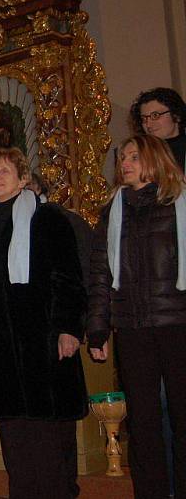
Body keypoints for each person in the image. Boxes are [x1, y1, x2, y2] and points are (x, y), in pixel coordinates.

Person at [0, 148, 88, 499]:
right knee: (14, 436)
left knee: (47, 435)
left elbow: (68, 278)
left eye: (4, 170)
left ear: (22, 177)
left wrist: (68, 328)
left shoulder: (47, 218)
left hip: (41, 340)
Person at [87, 134, 186, 499]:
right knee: (143, 425)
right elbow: (99, 274)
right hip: (132, 328)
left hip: (177, 324)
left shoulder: (179, 203)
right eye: (122, 157)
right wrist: (97, 330)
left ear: (154, 159)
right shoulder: (113, 211)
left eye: (133, 156)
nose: (124, 163)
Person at [131, 87, 186, 170]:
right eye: (144, 119)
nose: (148, 124)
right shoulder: (139, 154)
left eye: (155, 115)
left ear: (176, 115)